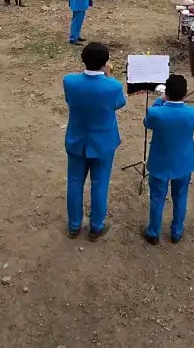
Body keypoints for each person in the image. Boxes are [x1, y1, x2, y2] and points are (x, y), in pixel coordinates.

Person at [62, 43, 126, 240]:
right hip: (103, 143)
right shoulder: (113, 85)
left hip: (77, 140)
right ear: (105, 63)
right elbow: (120, 103)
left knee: (74, 183)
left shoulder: (70, 81)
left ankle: (74, 226)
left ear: (83, 60)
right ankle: (96, 227)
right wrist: (108, 76)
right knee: (100, 184)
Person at [142, 74, 194, 245]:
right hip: (183, 162)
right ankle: (176, 231)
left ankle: (153, 232)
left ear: (166, 92)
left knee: (157, 197)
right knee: (181, 196)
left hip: (160, 161)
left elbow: (147, 123)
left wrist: (159, 101)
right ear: (185, 93)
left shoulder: (156, 112)